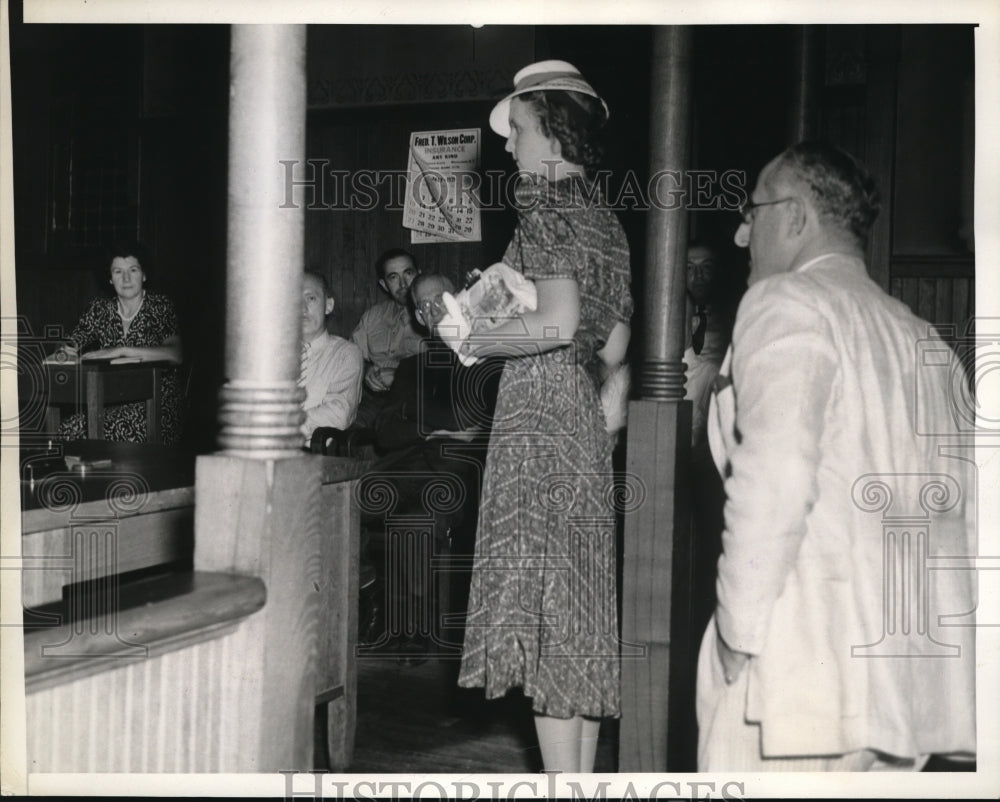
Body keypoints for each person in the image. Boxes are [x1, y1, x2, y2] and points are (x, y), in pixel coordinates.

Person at [697, 142, 976, 771]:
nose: (742, 235)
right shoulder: (921, 335)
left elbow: (774, 479)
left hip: (793, 669)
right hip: (904, 687)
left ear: (794, 217)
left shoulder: (786, 303)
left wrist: (739, 636)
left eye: (753, 212)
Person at [447, 60, 633, 773]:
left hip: (538, 410)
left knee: (547, 610)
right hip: (579, 413)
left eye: (518, 129)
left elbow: (555, 324)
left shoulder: (543, 200)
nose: (508, 145)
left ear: (552, 132)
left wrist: (474, 336)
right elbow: (611, 341)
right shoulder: (605, 216)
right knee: (574, 611)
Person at [361, 272, 501, 665]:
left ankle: (413, 634)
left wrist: (460, 433)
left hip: (460, 476)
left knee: (417, 519)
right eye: (422, 307)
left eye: (438, 299)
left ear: (459, 300)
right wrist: (432, 428)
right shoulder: (412, 368)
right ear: (418, 320)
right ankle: (363, 593)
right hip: (404, 466)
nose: (430, 310)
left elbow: (492, 426)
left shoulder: (490, 358)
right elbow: (386, 433)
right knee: (339, 500)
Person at [54, 242, 184, 444]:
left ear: (144, 275)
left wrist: (122, 350)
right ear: (109, 278)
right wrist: (65, 354)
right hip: (109, 402)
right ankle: (89, 475)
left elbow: (176, 354)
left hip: (156, 405)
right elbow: (69, 344)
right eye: (117, 271)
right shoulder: (99, 309)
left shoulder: (160, 306)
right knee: (67, 429)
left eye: (133, 270)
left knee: (105, 431)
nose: (126, 278)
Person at [350, 248, 424, 427]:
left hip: (420, 398)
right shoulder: (372, 317)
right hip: (376, 400)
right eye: (393, 277)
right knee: (341, 431)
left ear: (419, 275)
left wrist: (400, 377)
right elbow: (350, 357)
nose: (403, 283)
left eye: (408, 273)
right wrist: (366, 372)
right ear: (384, 285)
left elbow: (448, 367)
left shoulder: (437, 314)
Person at [298, 270, 363, 445]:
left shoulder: (346, 353)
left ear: (328, 305)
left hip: (313, 455)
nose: (302, 308)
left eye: (311, 298)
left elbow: (338, 414)